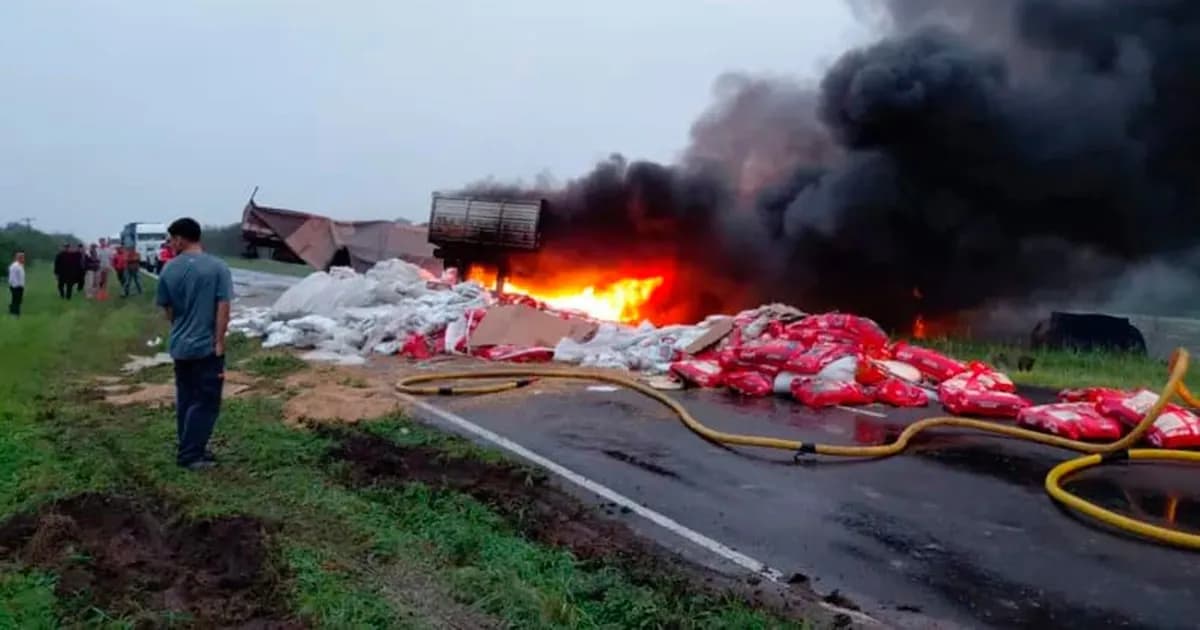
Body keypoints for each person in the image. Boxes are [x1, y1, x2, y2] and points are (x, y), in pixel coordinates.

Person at [156, 218, 233, 471]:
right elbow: (223, 306)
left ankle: (191, 445)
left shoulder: (168, 269)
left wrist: (180, 326)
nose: (170, 243)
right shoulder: (218, 268)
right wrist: (219, 341)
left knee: (187, 399)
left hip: (180, 345)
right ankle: (190, 455)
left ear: (180, 239)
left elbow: (168, 310)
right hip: (205, 347)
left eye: (172, 238)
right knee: (207, 401)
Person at [8, 251, 25, 317]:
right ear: (19, 258)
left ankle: (14, 311)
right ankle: (15, 313)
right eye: (22, 258)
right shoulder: (14, 266)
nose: (24, 259)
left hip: (20, 286)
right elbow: (12, 277)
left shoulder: (20, 265)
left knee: (18, 300)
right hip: (16, 286)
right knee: (16, 300)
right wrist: (16, 285)